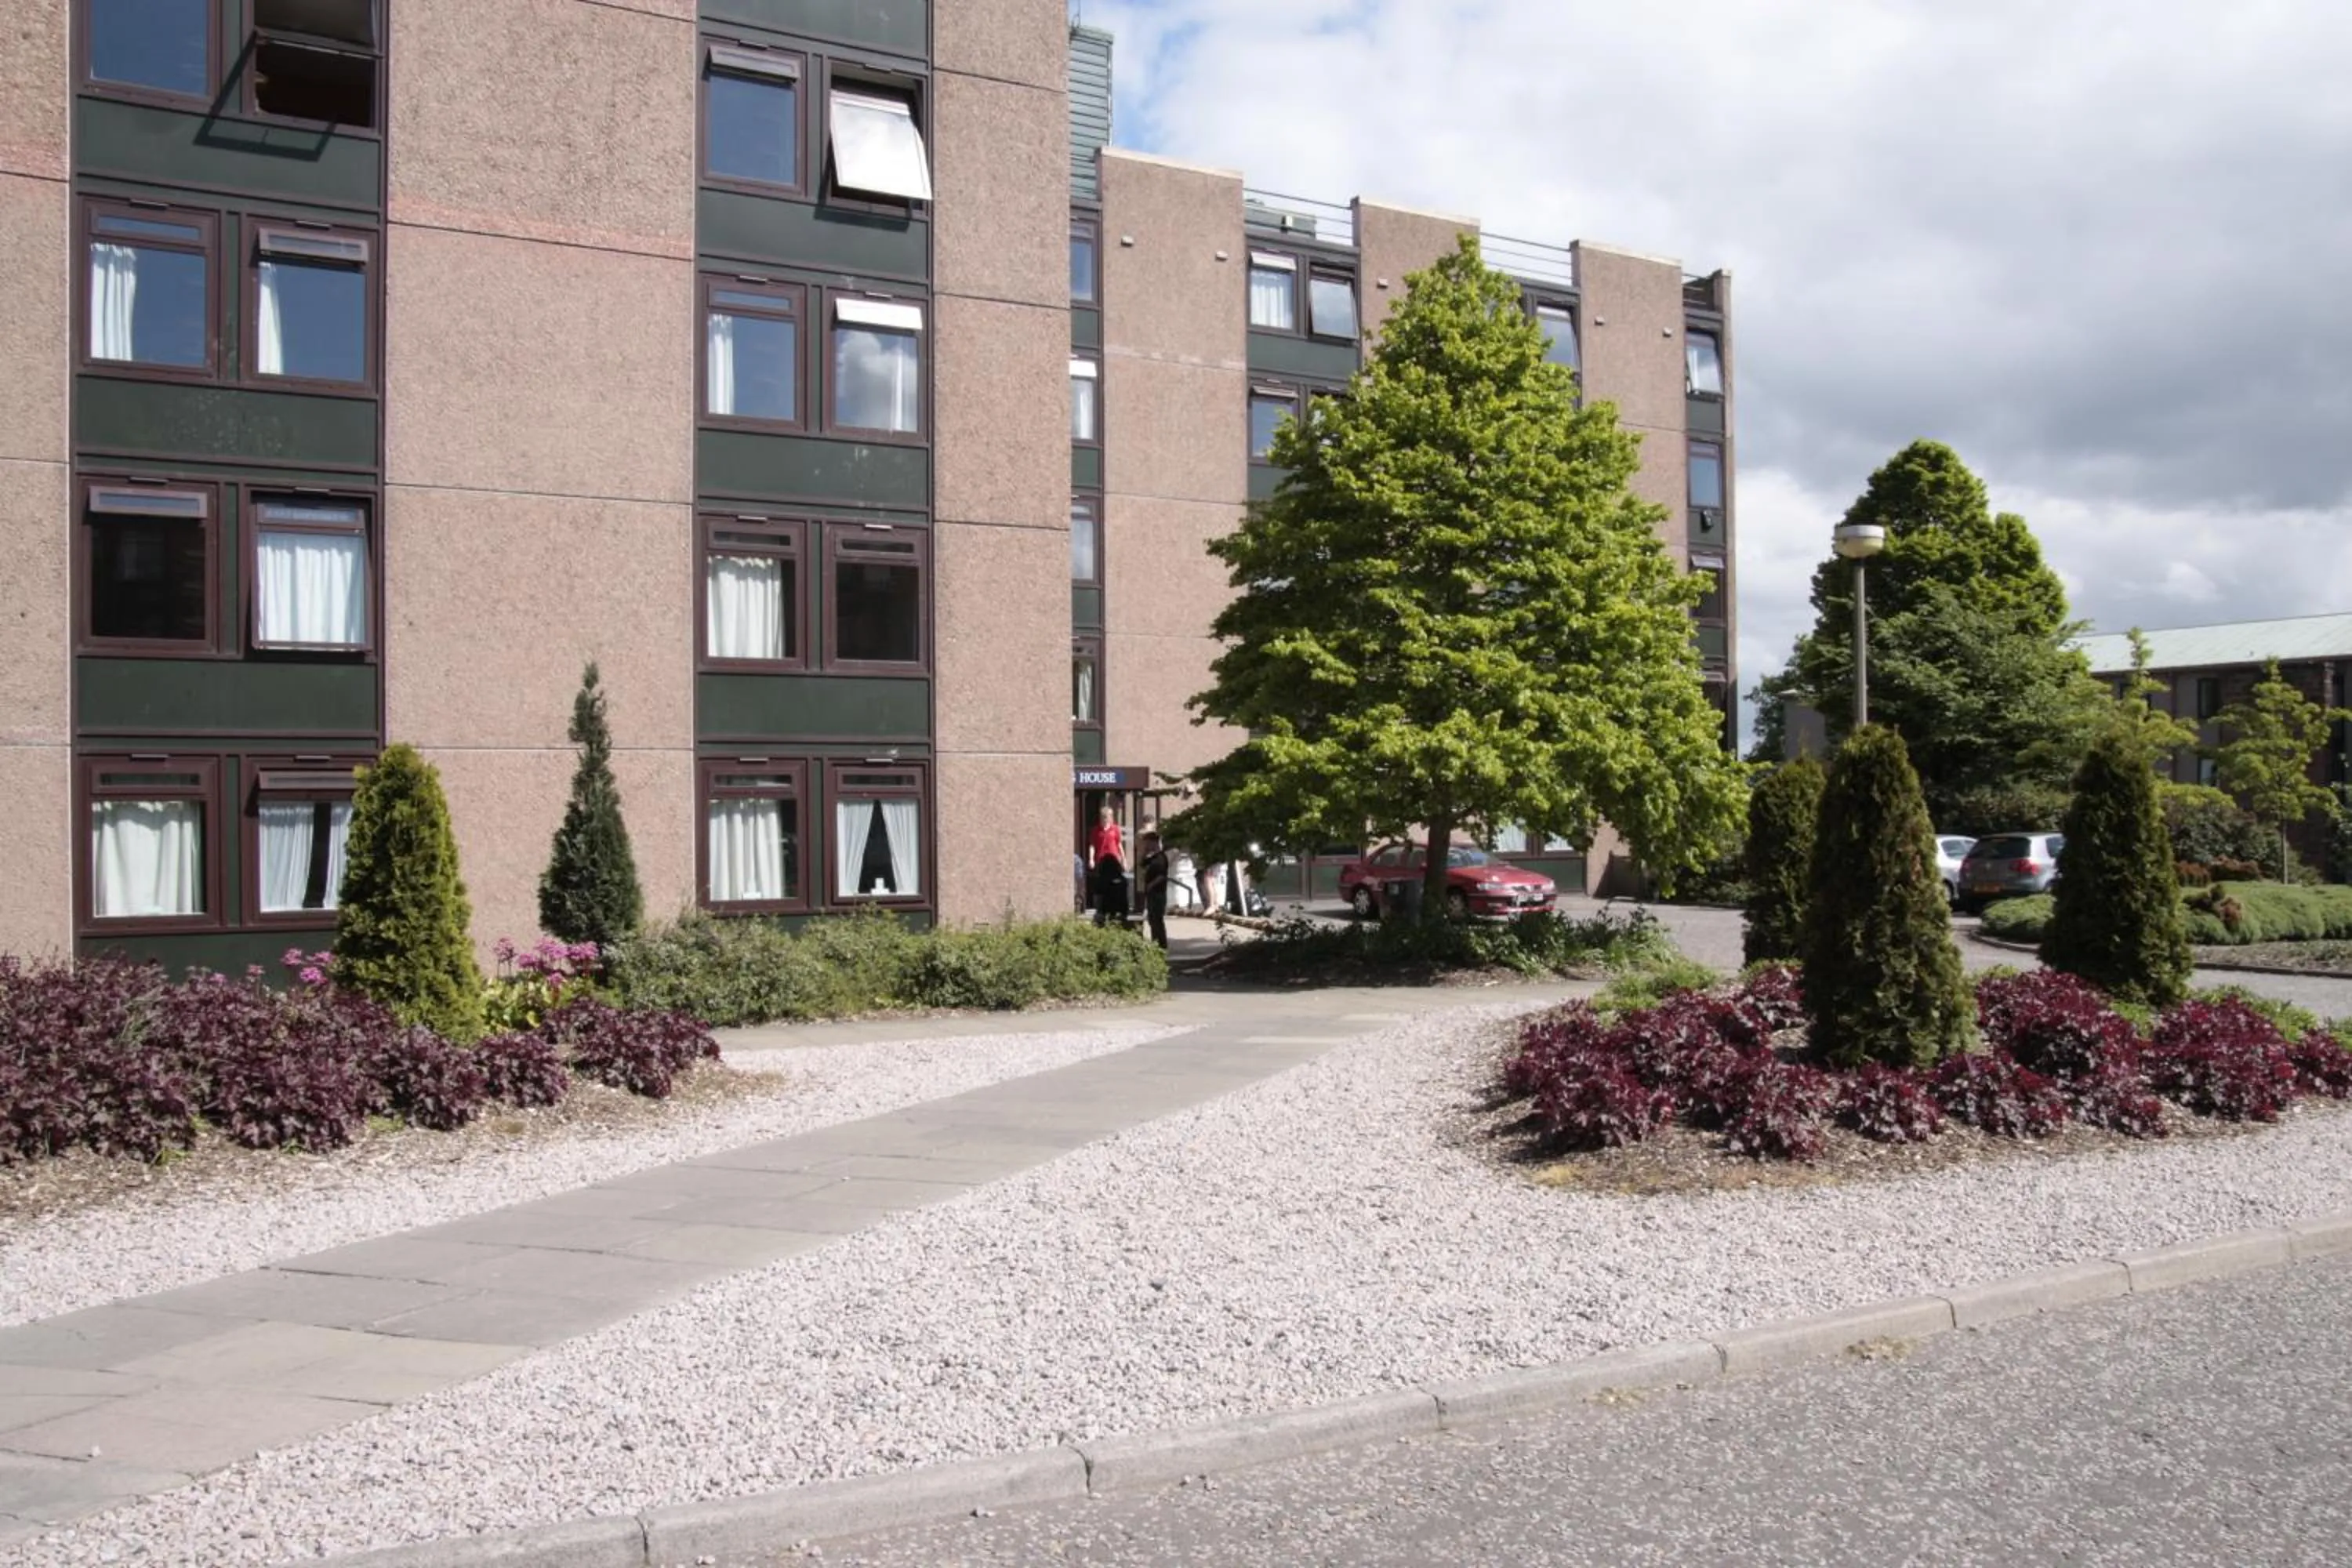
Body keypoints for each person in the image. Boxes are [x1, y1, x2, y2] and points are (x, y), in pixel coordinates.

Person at [1138, 830, 1171, 950]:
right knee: (1152, 920)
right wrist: (1145, 852)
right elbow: (1141, 863)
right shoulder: (1152, 858)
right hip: (1151, 893)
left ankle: (1162, 946)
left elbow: (1162, 876)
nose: (1146, 845)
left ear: (1154, 843)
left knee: (1157, 920)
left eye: (1148, 843)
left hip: (1159, 893)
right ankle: (1155, 943)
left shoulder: (1161, 858)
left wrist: (1151, 885)